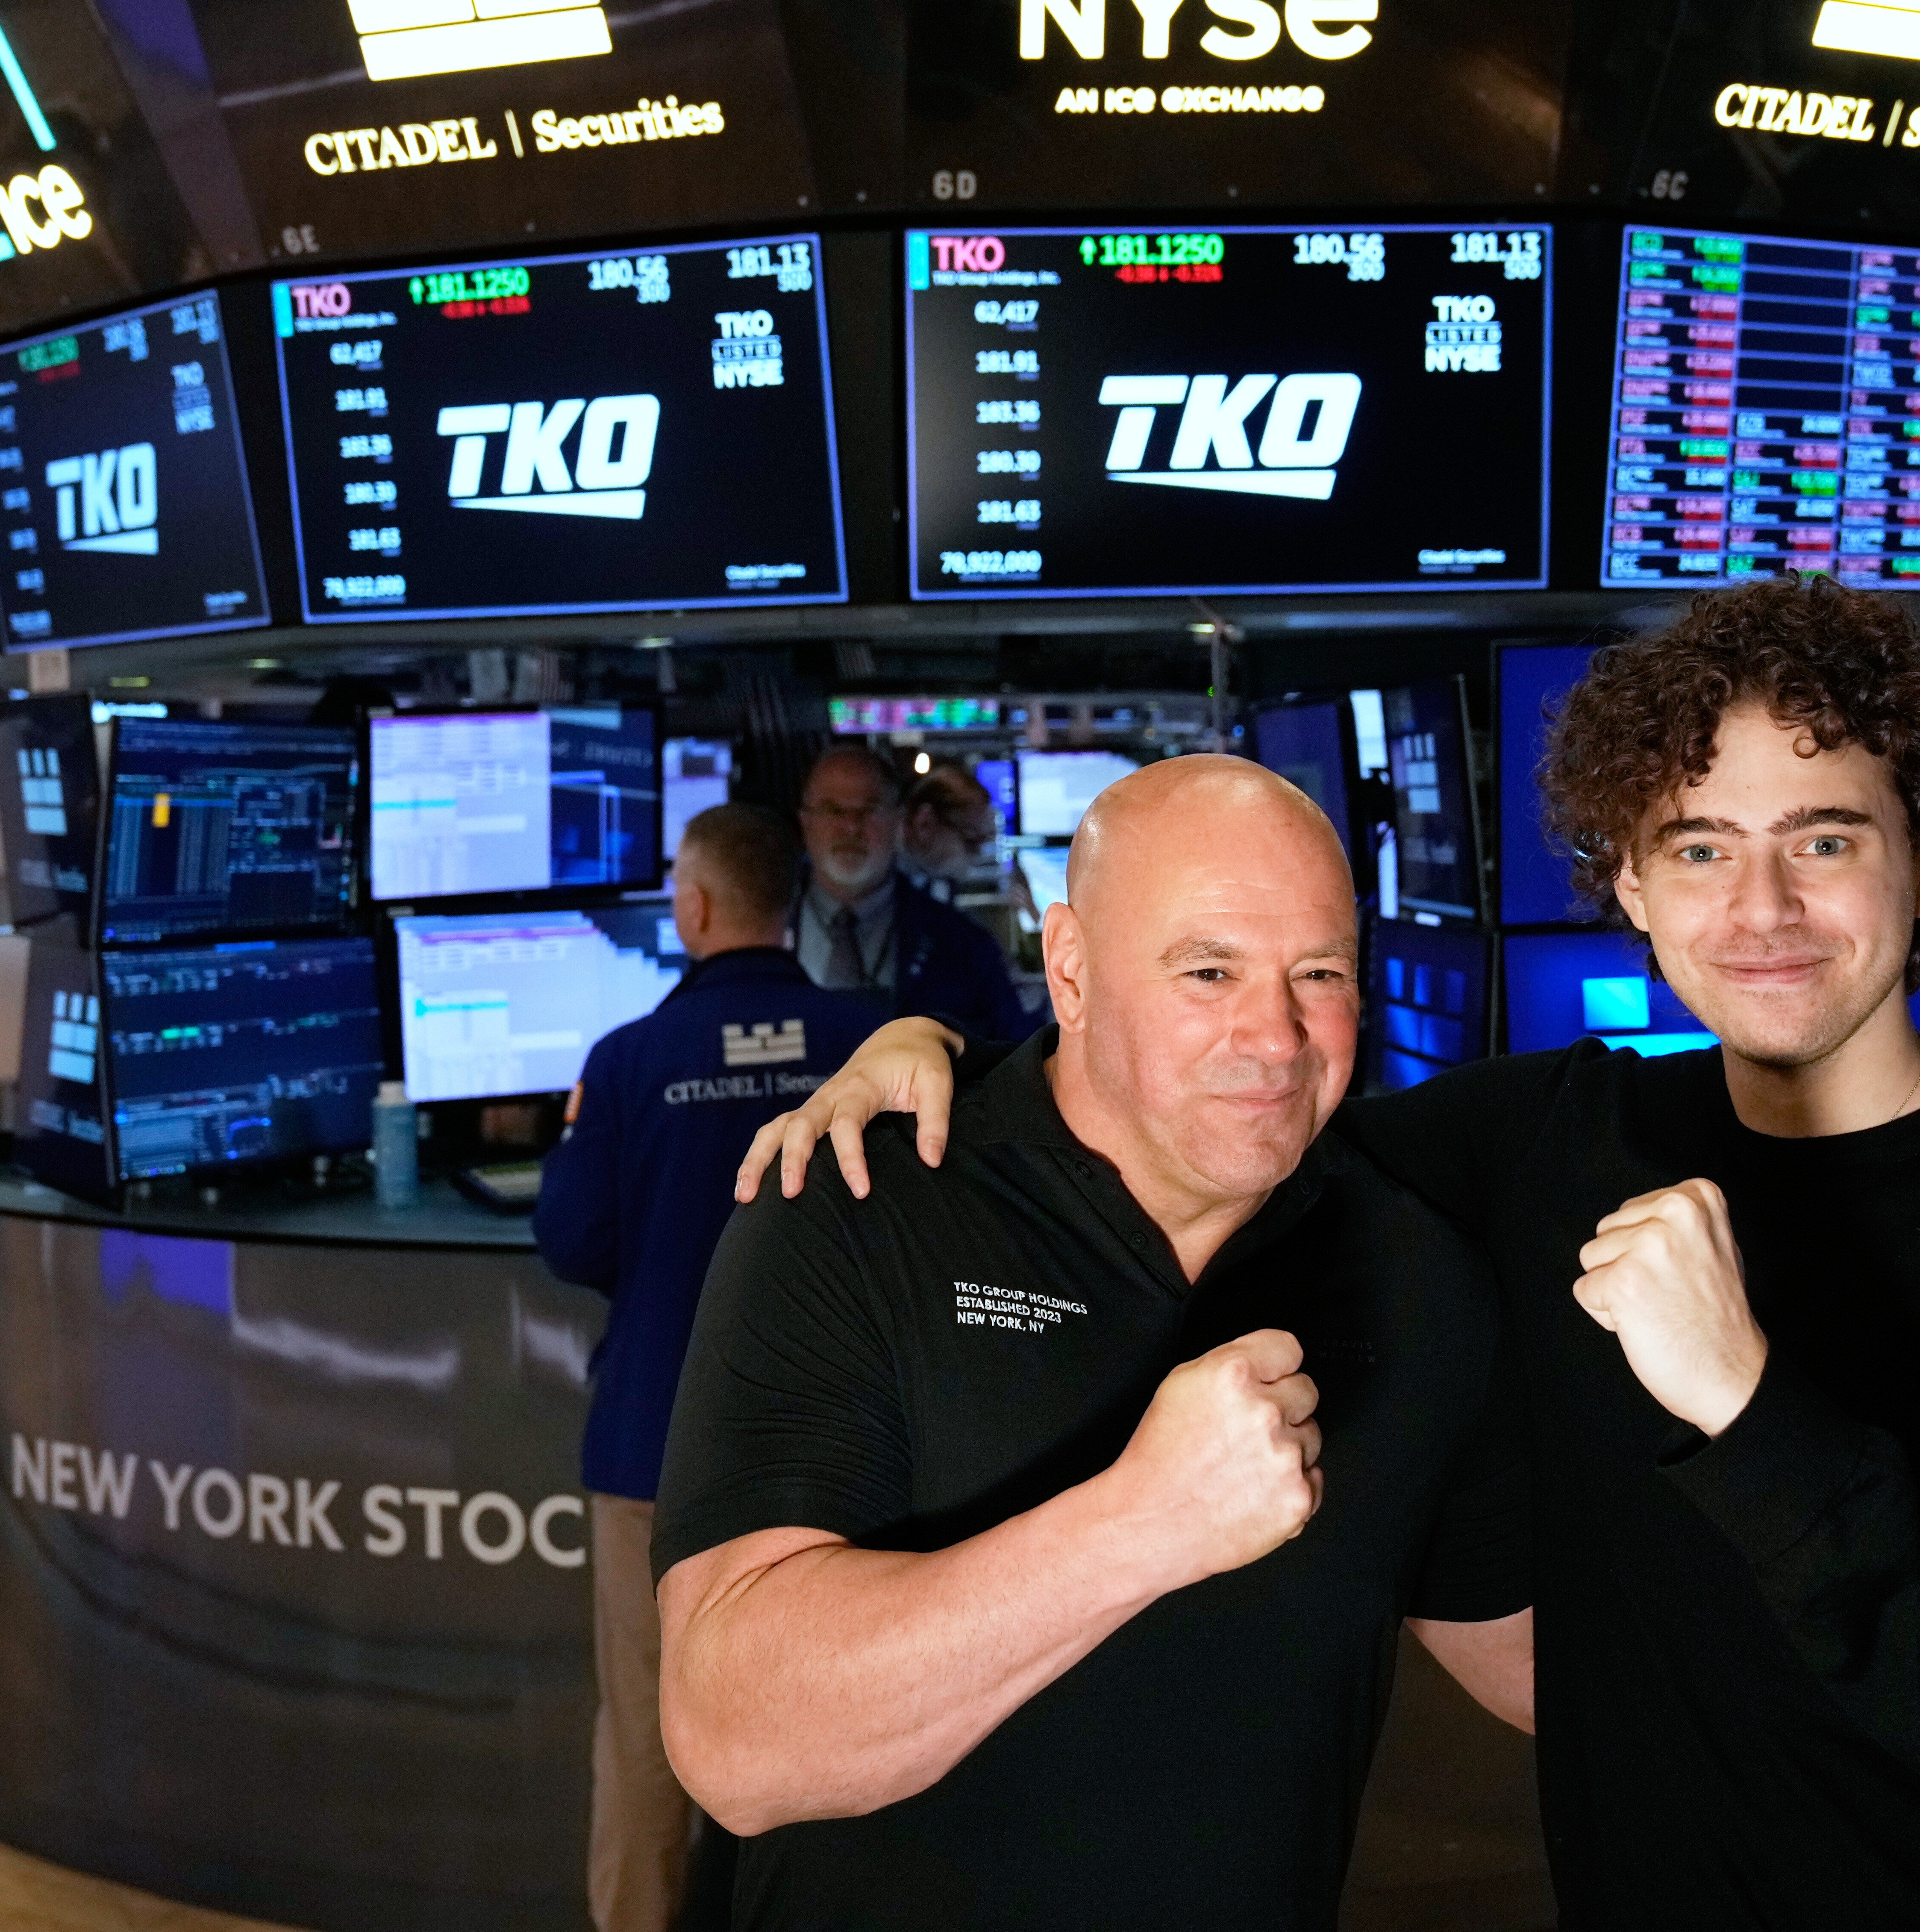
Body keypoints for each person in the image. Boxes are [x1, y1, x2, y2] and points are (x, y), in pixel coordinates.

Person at [747, 576, 1920, 1931]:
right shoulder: (1547, 1139)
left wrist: (1750, 1408)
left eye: (1825, 840)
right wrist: (934, 1049)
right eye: (1699, 846)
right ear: (1632, 886)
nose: (1761, 908)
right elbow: (1237, 1098)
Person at [653, 756, 1532, 1930]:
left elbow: (1538, 1664)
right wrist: (1141, 1524)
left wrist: (1749, 1449)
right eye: (1208, 971)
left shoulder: (1414, 1267)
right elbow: (733, 1738)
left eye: (1318, 973)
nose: (1275, 1037)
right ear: (1069, 969)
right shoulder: (863, 1197)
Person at [533, 803, 896, 1932]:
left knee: (648, 1744)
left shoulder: (629, 1061)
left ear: (691, 909)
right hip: (844, 1461)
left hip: (657, 1450)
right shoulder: (874, 1041)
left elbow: (572, 1239)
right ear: (789, 902)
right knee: (837, 1744)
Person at [791, 744, 1032, 1040]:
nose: (850, 827)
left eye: (869, 810)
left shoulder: (966, 949)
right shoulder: (755, 928)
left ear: (897, 819)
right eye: (833, 810)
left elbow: (1013, 1049)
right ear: (805, 821)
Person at [897, 766, 999, 900]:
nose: (978, 856)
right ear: (925, 823)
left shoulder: (937, 880)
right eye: (972, 842)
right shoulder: (874, 871)